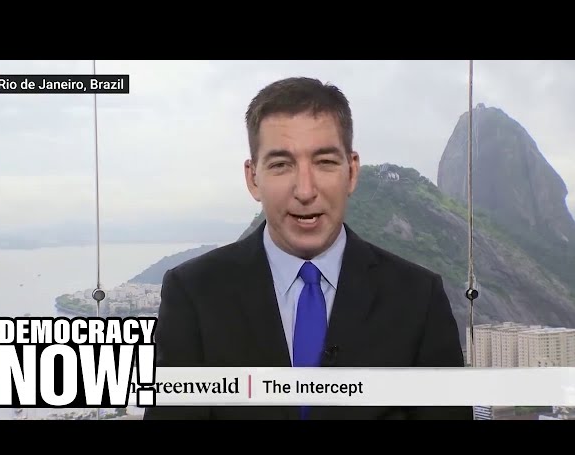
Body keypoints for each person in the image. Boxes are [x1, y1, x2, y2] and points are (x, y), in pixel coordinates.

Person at [143, 77, 473, 420]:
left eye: (324, 162)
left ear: (352, 172)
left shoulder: (418, 299)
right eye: (281, 165)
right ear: (253, 178)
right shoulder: (194, 294)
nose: (305, 190)